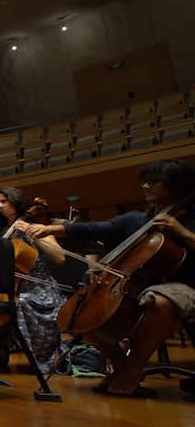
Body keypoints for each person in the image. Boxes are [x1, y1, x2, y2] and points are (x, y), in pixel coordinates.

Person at [26, 160, 195, 397]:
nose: (146, 186)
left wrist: (182, 232)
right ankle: (121, 366)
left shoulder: (189, 220)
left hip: (184, 286)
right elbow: (95, 228)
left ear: (175, 185)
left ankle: (132, 370)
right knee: (82, 315)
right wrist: (50, 230)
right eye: (144, 181)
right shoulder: (136, 220)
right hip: (136, 286)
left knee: (160, 301)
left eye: (154, 182)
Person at [0, 188, 66, 375]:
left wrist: (33, 235)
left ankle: (38, 361)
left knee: (23, 303)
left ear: (16, 201)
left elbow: (60, 258)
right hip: (7, 288)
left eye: (5, 201)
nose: (0, 205)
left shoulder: (36, 227)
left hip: (38, 286)